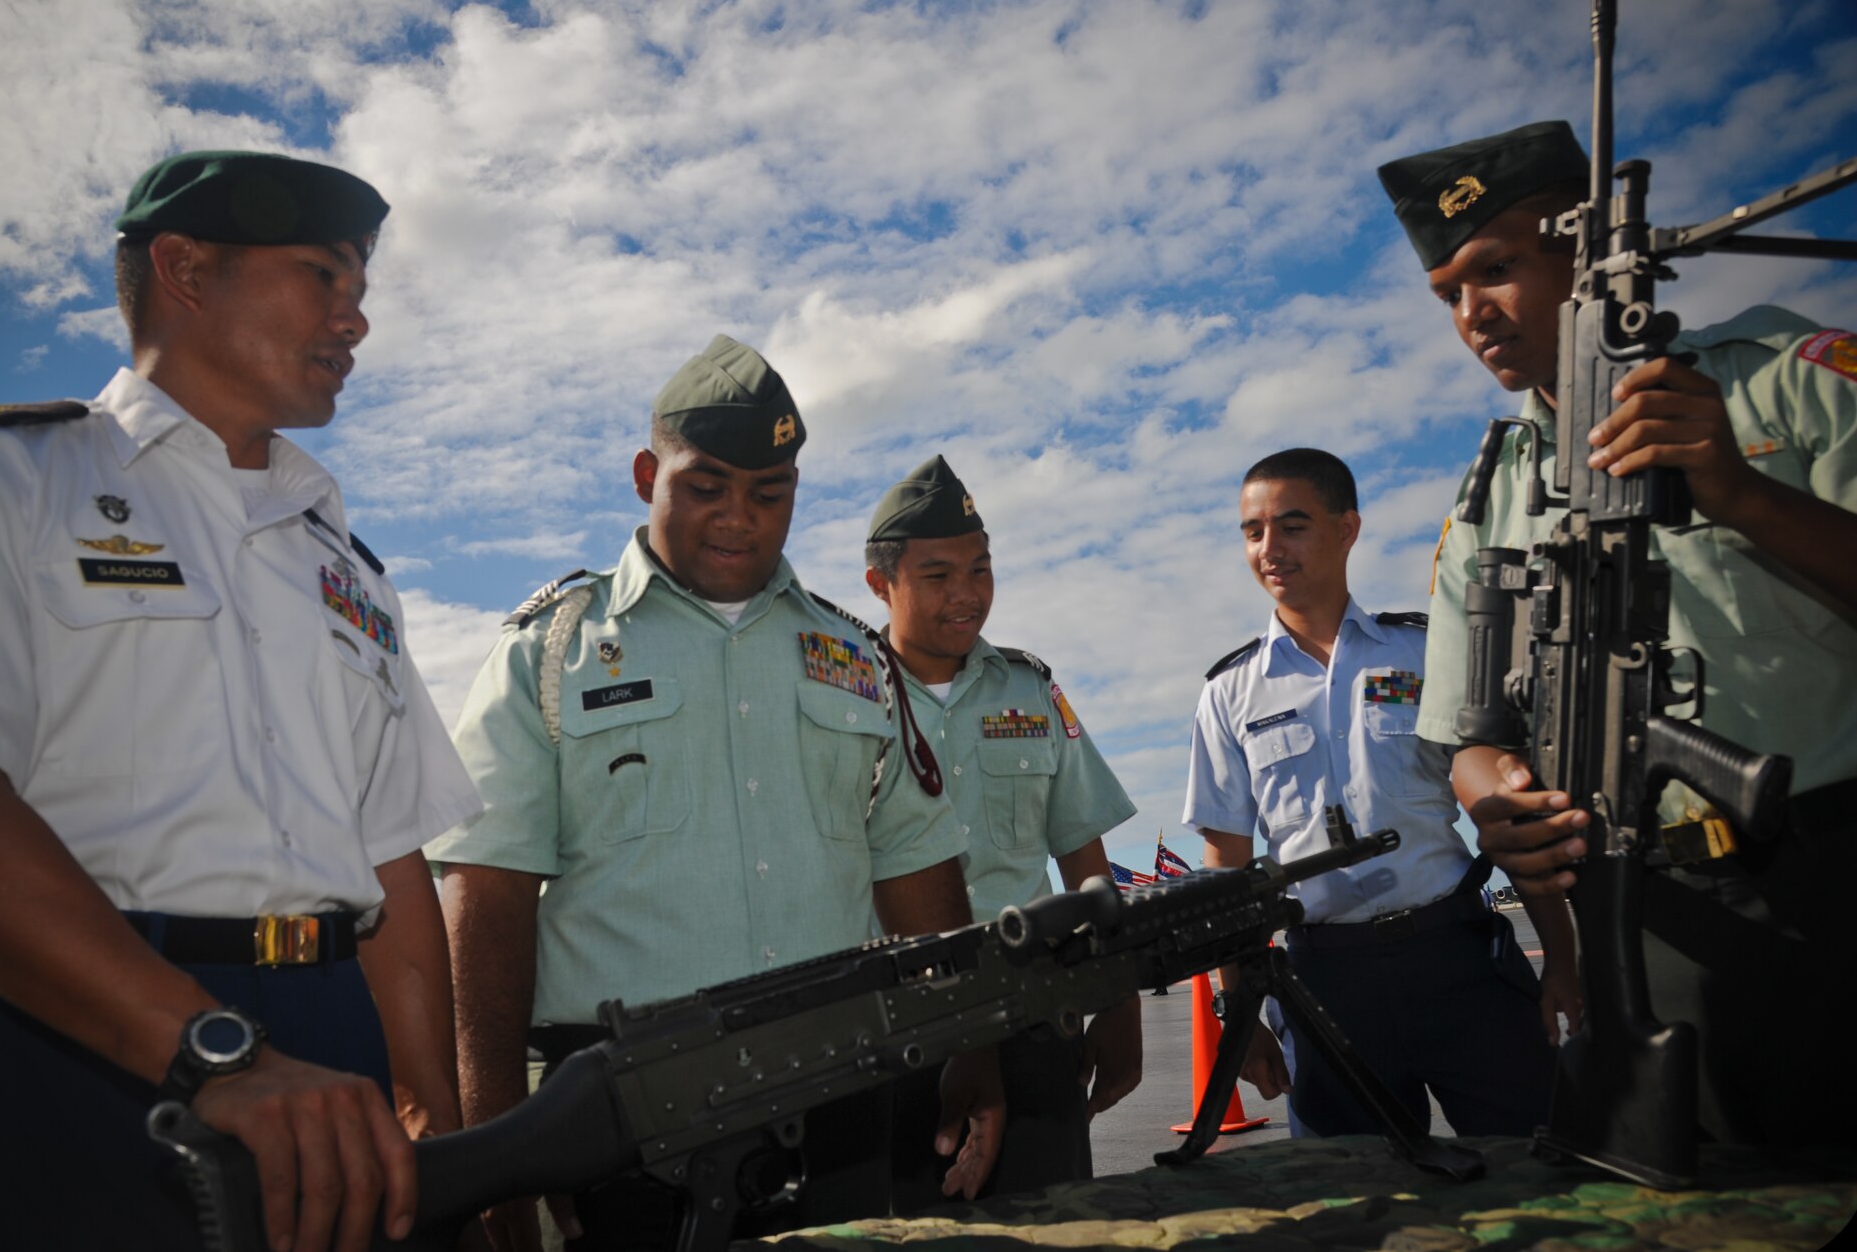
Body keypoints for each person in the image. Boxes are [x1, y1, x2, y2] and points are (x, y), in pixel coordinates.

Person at [0, 152, 482, 1252]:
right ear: (186, 268)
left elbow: (388, 856)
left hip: (334, 1044)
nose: (357, 320)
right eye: (323, 277)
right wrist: (211, 1052)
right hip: (54, 1034)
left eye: (363, 289)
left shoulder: (347, 566)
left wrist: (437, 1130)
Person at [428, 337, 1003, 1250]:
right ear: (648, 473)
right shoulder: (549, 653)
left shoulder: (856, 658)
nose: (739, 517)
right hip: (625, 1116)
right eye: (707, 486)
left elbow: (917, 868)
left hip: (841, 1098)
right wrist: (497, 1143)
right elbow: (485, 900)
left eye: (770, 492)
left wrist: (973, 1049)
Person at [1379, 121, 1857, 1145]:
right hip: (1635, 922)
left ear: (1587, 253)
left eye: (1494, 269)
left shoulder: (1783, 381)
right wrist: (1493, 800)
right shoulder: (1486, 498)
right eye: (1447, 294)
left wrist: (1736, 493)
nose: (1470, 314)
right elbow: (1467, 733)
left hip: (1825, 885)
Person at [1183, 448, 1576, 1139]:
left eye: (1292, 525)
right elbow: (1227, 870)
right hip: (1325, 987)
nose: (1269, 548)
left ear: (1347, 528)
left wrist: (1562, 963)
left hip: (1460, 963)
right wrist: (1236, 1013)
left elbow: (1507, 811)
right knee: (1360, 1210)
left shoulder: (1423, 654)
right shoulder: (1229, 694)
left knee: (1542, 1175)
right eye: (1252, 531)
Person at [861, 454, 1141, 1209]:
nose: (967, 594)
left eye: (980, 570)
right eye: (938, 575)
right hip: (891, 1033)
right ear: (879, 582)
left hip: (1031, 1017)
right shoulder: (842, 703)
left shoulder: (1031, 689)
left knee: (1055, 1218)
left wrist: (1119, 999)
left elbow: (1084, 857)